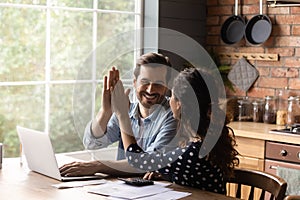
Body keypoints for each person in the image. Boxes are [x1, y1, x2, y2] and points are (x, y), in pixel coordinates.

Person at [110, 67, 240, 194]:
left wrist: (123, 115)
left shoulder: (194, 151)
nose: (169, 100)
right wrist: (170, 174)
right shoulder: (204, 140)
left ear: (179, 104)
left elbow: (138, 160)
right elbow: (193, 177)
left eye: (172, 95)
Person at [59, 52, 178, 176]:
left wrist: (98, 166)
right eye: (145, 82)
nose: (150, 90)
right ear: (134, 82)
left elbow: (147, 163)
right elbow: (91, 143)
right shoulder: (126, 108)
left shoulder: (173, 116)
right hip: (122, 187)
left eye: (158, 84)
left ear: (167, 86)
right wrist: (106, 111)